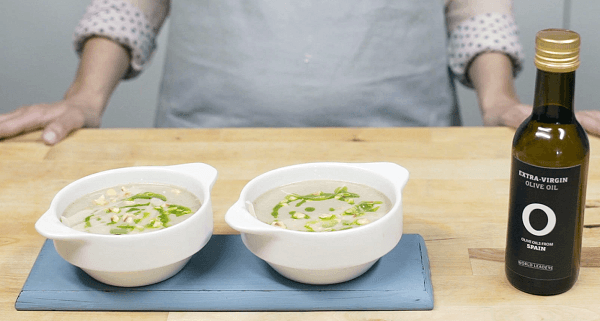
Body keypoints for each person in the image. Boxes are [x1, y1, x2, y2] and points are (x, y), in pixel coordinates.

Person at [1, 0, 599, 145]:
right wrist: (83, 98)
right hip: (208, 145)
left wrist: (500, 102)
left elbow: (473, 6)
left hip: (405, 147)